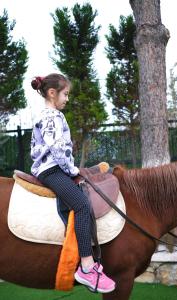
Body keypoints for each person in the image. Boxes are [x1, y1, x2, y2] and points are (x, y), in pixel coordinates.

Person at [30, 73, 115, 293]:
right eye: (65, 94)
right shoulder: (52, 116)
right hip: (52, 170)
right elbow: (59, 150)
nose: (67, 99)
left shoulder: (47, 115)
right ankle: (86, 267)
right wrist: (72, 170)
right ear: (52, 93)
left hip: (53, 167)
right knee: (82, 205)